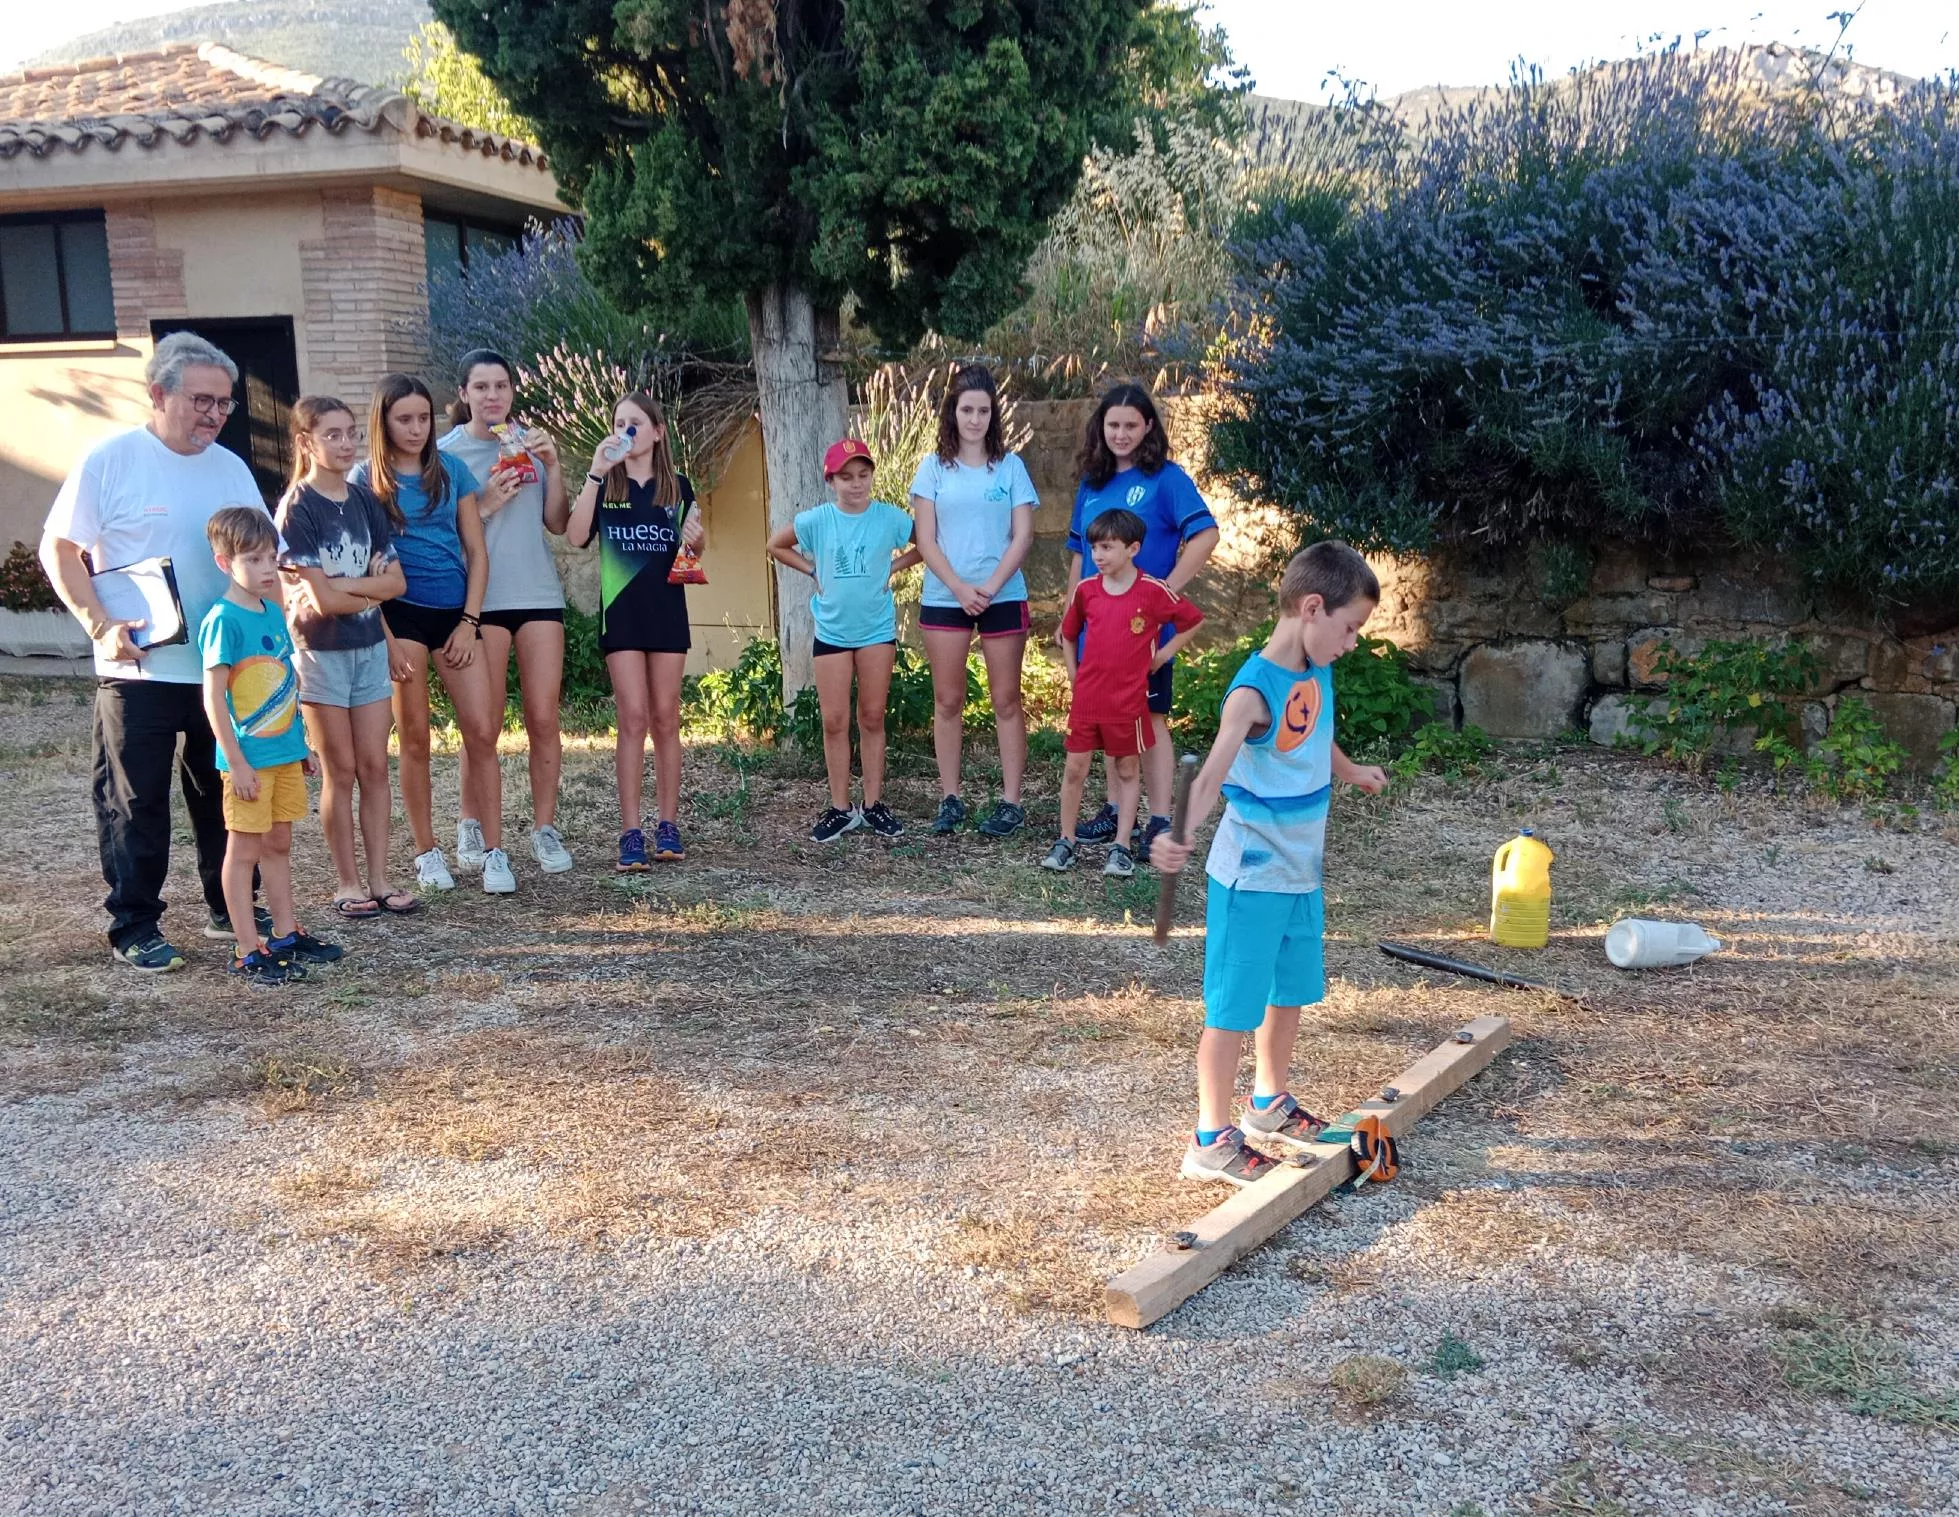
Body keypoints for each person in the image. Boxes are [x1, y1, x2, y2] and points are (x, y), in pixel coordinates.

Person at [1149, 542, 1390, 1186]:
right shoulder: (1251, 694)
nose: (1352, 642)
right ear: (1313, 608)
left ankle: (1268, 1104)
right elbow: (1211, 777)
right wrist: (1176, 833)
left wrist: (1349, 770)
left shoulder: (1316, 666)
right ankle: (1210, 1139)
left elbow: (1315, 728)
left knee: (1289, 992)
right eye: (1350, 627)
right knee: (1233, 1006)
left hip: (1299, 872)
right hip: (1251, 874)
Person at [40, 331, 275, 970]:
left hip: (221, 668)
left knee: (224, 792)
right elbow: (59, 549)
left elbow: (262, 557)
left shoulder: (231, 468)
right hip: (138, 667)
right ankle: (135, 924)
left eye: (225, 404)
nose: (216, 415)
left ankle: (230, 907)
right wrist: (98, 622)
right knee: (134, 800)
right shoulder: (111, 459)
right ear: (157, 393)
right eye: (202, 400)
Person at [351, 374, 517, 895]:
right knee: (416, 740)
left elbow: (477, 550)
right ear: (384, 421)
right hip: (399, 618)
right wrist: (387, 636)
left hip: (456, 615)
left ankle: (494, 850)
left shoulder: (451, 470)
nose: (417, 428)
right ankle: (427, 852)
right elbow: (360, 569)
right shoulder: (364, 481)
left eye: (423, 418)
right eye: (404, 419)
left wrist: (470, 623)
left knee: (483, 733)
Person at [1066, 382, 1220, 861]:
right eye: (1113, 424)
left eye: (1131, 424)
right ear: (1101, 427)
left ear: (1148, 427)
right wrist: (1070, 609)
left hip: (1142, 633)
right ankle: (1116, 811)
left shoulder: (1167, 479)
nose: (1121, 433)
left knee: (1148, 718)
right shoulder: (1091, 483)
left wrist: (1164, 593)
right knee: (1110, 717)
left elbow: (1206, 534)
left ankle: (1157, 817)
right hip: (1097, 626)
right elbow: (1078, 554)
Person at [275, 396, 414, 919]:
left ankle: (380, 879)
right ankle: (348, 882)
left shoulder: (365, 502)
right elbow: (324, 603)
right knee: (342, 770)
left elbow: (396, 583)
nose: (345, 443)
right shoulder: (297, 508)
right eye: (332, 434)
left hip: (369, 649)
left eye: (351, 432)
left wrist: (350, 587)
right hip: (320, 653)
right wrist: (368, 587)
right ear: (306, 442)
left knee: (376, 766)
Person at [439, 349, 574, 877]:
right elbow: (437, 535)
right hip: (482, 602)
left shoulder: (532, 445)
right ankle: (470, 821)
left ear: (513, 392)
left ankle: (545, 828)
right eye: (481, 387)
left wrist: (555, 465)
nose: (492, 396)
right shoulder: (447, 454)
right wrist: (486, 503)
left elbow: (558, 523)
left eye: (501, 386)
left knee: (543, 717)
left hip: (538, 594)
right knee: (483, 725)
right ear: (464, 394)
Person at [198, 507, 345, 984]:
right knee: (244, 851)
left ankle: (284, 932)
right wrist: (236, 762)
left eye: (270, 558)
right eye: (253, 560)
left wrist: (300, 744)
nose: (267, 569)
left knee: (279, 842)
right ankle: (246, 947)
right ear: (225, 563)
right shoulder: (223, 620)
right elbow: (214, 697)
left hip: (283, 754)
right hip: (249, 763)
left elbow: (285, 682)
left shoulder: (272, 612)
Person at [567, 391, 706, 869]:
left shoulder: (679, 487)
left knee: (667, 718)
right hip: (622, 617)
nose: (625, 430)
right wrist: (594, 472)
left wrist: (697, 539)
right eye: (618, 422)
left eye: (635, 423)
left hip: (667, 614)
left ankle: (668, 823)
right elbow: (575, 534)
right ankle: (630, 831)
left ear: (658, 431)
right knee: (633, 719)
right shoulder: (608, 484)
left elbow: (693, 555)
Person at [767, 438, 920, 843]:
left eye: (863, 475)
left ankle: (872, 805)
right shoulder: (817, 520)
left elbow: (926, 544)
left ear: (872, 476)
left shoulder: (889, 518)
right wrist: (811, 571)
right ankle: (840, 807)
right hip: (832, 632)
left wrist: (893, 566)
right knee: (835, 722)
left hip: (875, 632)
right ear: (831, 480)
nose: (856, 484)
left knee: (871, 717)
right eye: (846, 477)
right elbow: (775, 545)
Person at [908, 365, 1039, 838]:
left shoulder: (1010, 467)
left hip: (1003, 596)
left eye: (984, 410)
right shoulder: (931, 469)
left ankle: (1011, 802)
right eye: (967, 409)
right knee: (948, 699)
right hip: (946, 596)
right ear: (953, 412)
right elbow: (925, 539)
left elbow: (1023, 535)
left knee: (1007, 699)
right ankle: (950, 797)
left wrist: (990, 585)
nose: (975, 419)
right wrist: (961, 588)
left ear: (993, 414)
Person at [1042, 508, 1204, 878]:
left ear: (1132, 549)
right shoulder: (1086, 590)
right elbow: (1068, 633)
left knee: (1127, 769)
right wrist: (1073, 672)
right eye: (1094, 547)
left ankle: (1121, 846)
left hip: (1129, 702)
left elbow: (1192, 621)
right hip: (1088, 700)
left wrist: (1162, 655)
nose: (1098, 556)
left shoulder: (1153, 590)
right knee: (1075, 770)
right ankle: (1066, 841)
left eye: (1107, 547)